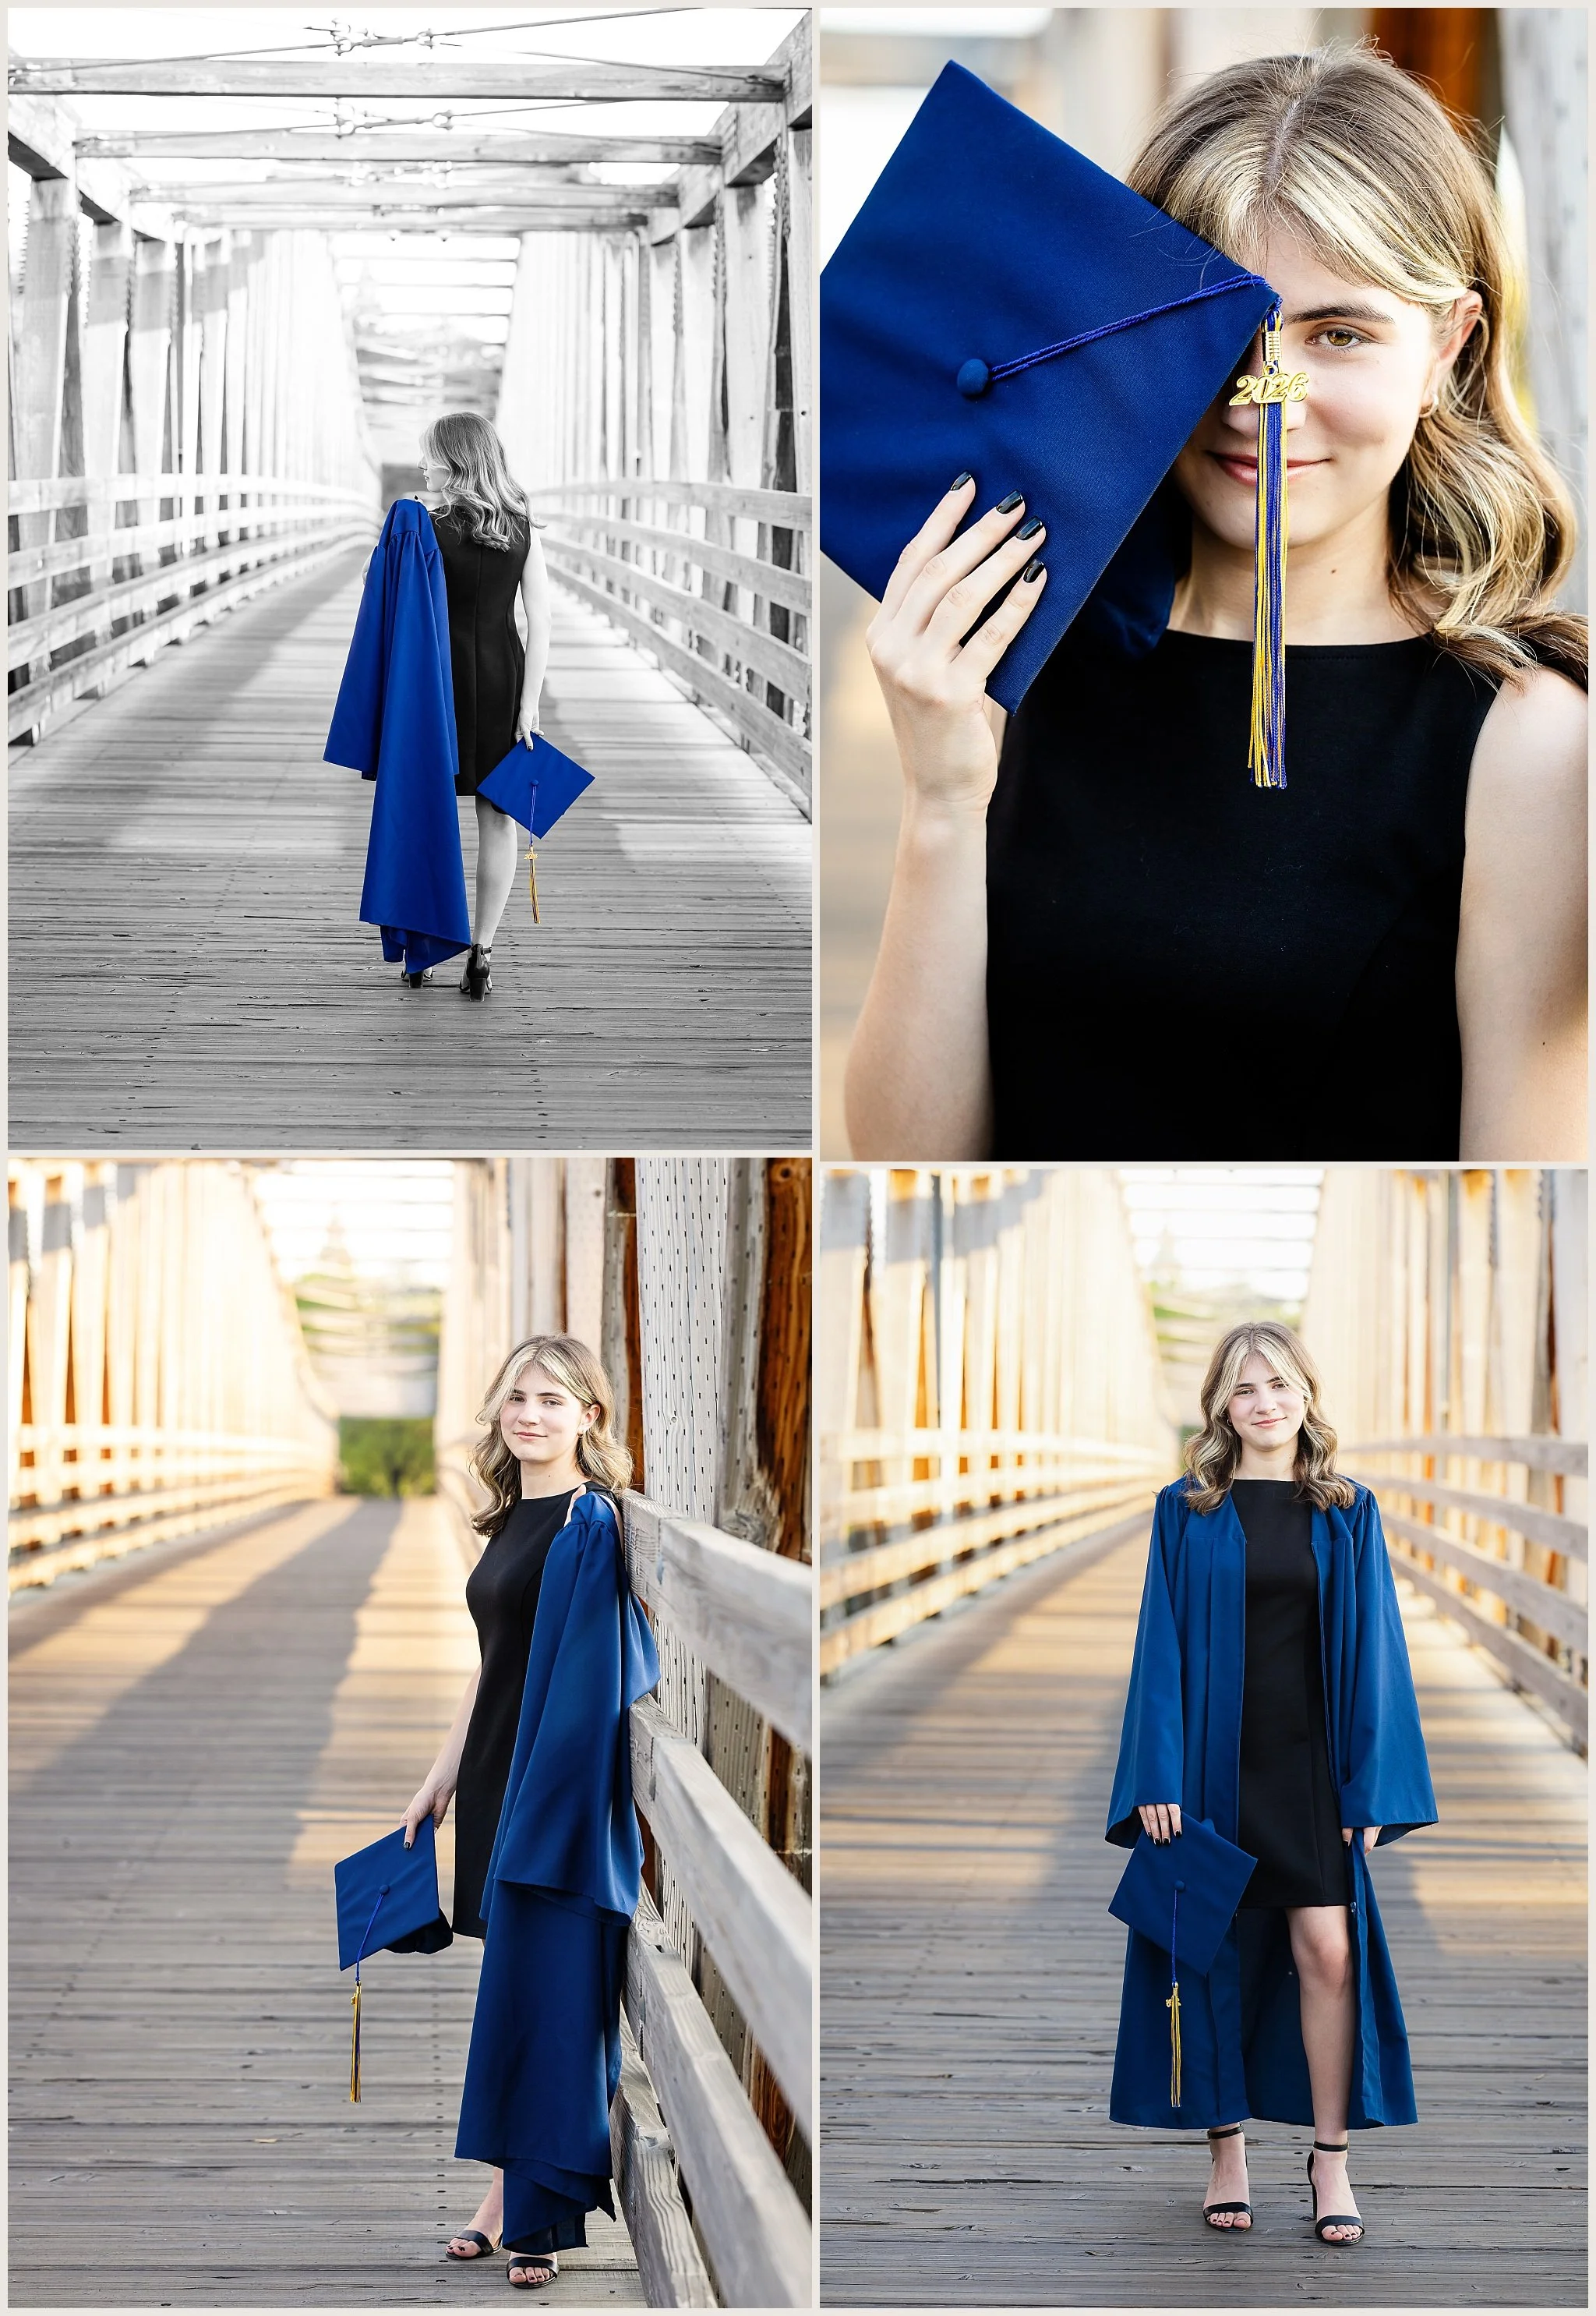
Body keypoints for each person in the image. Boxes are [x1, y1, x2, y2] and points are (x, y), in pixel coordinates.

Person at [846, 44, 1586, 1162]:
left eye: (1338, 333)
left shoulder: (1525, 742)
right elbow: (912, 1163)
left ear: (1448, 347)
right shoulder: (1020, 655)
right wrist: (941, 800)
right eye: (1218, 328)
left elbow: (1525, 1188)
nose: (1262, 401)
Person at [1106, 1321, 1436, 2245]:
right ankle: (1227, 2152)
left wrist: (1369, 1788)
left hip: (1308, 1769)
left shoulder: (1345, 1508)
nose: (1264, 1403)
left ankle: (1329, 2158)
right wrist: (1156, 1772)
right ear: (1220, 1404)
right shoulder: (1185, 1508)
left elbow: (1376, 1652)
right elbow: (1158, 1646)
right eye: (1245, 1388)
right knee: (1207, 1952)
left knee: (1326, 1952)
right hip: (1210, 1766)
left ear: (1304, 1396)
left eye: (1279, 1384)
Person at [401, 1335, 654, 2289]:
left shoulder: (587, 1523)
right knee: (519, 1995)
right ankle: (506, 2198)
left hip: (555, 1801)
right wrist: (442, 1774)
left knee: (551, 1997)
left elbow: (586, 1692)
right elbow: (494, 1663)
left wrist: (536, 1817)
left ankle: (537, 2215)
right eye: (517, 1397)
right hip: (499, 1781)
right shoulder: (512, 1518)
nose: (530, 1414)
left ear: (589, 1415)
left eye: (552, 1399)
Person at [418, 411, 552, 1002]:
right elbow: (541, 621)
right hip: (502, 679)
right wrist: (530, 705)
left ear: (453, 461)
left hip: (436, 685)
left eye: (429, 455)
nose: (422, 465)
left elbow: (385, 596)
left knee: (426, 814)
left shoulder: (425, 527)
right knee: (497, 818)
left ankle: (422, 947)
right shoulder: (520, 526)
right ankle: (482, 952)